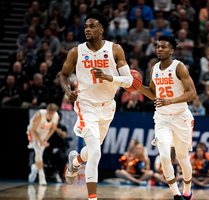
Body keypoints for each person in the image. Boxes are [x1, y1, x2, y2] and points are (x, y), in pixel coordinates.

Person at [60, 10, 133, 200]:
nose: (87, 29)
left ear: (101, 30)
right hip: (85, 105)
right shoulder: (76, 51)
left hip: (107, 106)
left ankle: (75, 160)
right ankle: (92, 198)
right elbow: (64, 75)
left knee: (92, 151)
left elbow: (128, 81)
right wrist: (69, 92)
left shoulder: (115, 49)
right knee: (95, 152)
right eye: (85, 26)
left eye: (92, 26)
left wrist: (110, 76)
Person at [138, 35, 196, 200]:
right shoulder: (154, 68)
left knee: (182, 158)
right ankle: (176, 194)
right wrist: (137, 87)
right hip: (162, 117)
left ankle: (187, 189)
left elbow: (193, 94)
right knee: (164, 154)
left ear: (171, 51)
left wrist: (170, 100)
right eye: (158, 46)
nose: (159, 49)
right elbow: (153, 94)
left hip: (181, 117)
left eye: (163, 47)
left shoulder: (179, 67)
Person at [27, 103, 59, 185]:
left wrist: (46, 139)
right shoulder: (40, 115)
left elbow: (53, 128)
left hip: (44, 132)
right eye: (49, 112)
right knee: (38, 152)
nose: (50, 115)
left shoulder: (56, 116)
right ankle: (42, 176)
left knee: (39, 153)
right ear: (46, 110)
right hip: (33, 131)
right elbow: (33, 130)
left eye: (52, 113)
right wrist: (41, 141)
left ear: (55, 112)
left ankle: (35, 167)